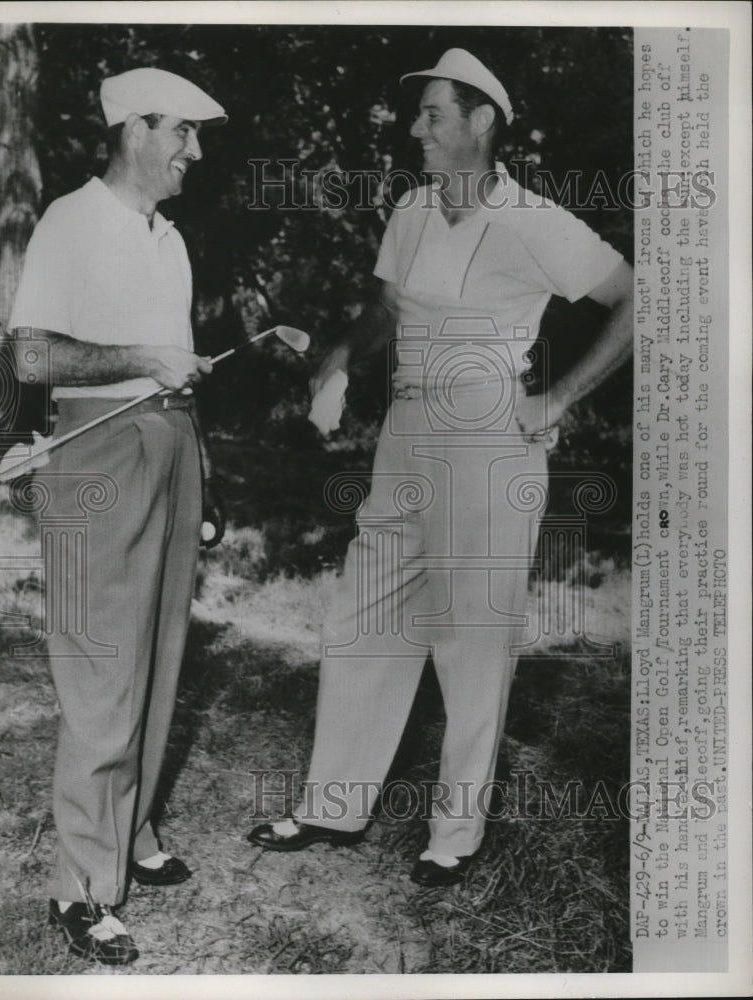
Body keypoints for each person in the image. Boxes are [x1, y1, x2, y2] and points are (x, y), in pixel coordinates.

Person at [248, 49, 633, 887]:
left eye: (431, 114)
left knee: (470, 634)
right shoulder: (414, 211)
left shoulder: (535, 220)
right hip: (408, 427)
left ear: (480, 121)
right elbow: (382, 311)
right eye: (415, 115)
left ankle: (452, 835)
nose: (414, 129)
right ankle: (331, 806)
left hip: (491, 432)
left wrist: (557, 399)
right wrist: (341, 364)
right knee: (364, 611)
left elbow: (635, 296)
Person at [8, 67, 227, 964]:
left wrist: (203, 473)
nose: (196, 152)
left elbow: (174, 374)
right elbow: (29, 356)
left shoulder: (167, 238)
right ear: (136, 129)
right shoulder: (70, 219)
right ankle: (81, 888)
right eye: (183, 133)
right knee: (101, 668)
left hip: (169, 446)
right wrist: (143, 354)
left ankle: (130, 831)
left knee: (159, 653)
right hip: (95, 453)